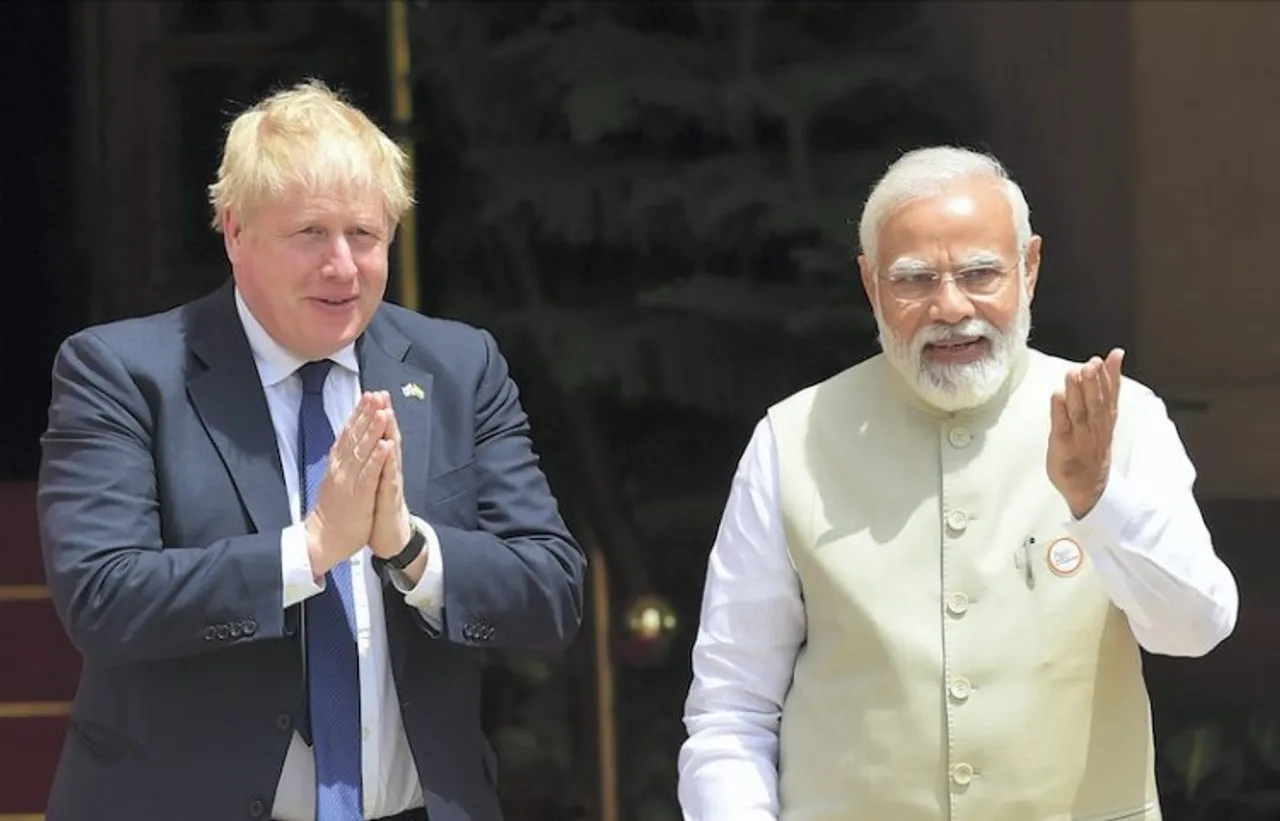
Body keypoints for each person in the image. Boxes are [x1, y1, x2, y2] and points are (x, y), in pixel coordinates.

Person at [37, 80, 586, 821]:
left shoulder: (458, 367)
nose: (343, 265)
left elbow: (551, 593)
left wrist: (409, 548)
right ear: (235, 232)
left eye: (364, 234)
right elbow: (103, 596)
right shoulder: (124, 373)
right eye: (309, 234)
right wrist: (311, 550)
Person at [676, 146, 1239, 821]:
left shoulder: (1122, 419)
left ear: (1029, 268)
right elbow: (731, 706)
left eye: (980, 273)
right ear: (870, 284)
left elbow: (1195, 627)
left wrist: (1096, 499)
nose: (949, 306)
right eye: (914, 280)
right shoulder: (789, 439)